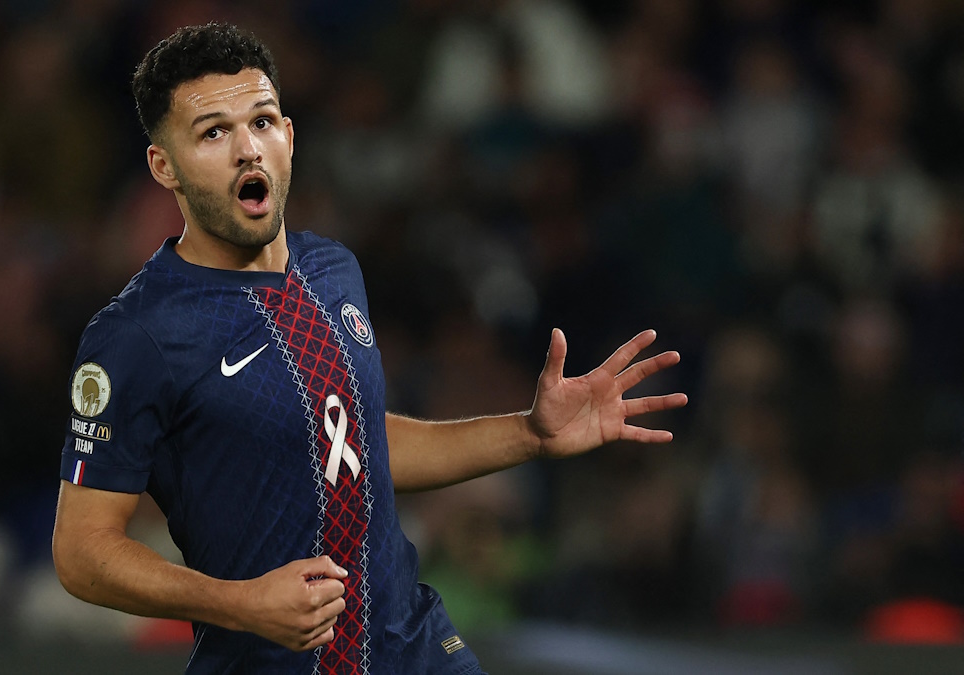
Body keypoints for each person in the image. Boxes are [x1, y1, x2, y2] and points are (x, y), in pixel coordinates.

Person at [51, 22, 687, 675]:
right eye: (213, 133)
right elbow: (81, 550)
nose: (248, 149)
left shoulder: (333, 270)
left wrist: (528, 433)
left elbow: (350, 443)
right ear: (165, 166)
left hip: (412, 647)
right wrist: (238, 604)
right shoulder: (136, 334)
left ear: (288, 135)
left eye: (262, 122)